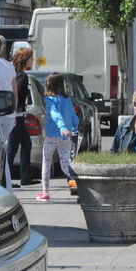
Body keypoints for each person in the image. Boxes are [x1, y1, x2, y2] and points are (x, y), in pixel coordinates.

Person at [36, 72, 79, 203]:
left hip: (52, 136)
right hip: (65, 138)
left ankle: (45, 192)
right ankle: (78, 192)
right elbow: (73, 116)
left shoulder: (49, 100)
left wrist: (62, 128)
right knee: (66, 166)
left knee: (46, 163)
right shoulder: (67, 100)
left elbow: (55, 114)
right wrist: (74, 127)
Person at [0, 35, 17, 188]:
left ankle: (2, 185)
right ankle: (7, 184)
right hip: (8, 113)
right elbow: (14, 91)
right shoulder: (9, 65)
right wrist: (14, 113)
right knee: (3, 150)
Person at [8, 47, 34, 186]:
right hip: (16, 116)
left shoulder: (14, 73)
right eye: (31, 57)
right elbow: (15, 94)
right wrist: (13, 115)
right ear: (25, 59)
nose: (33, 60)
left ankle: (25, 178)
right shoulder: (22, 76)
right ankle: (5, 179)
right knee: (12, 148)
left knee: (25, 144)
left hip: (16, 116)